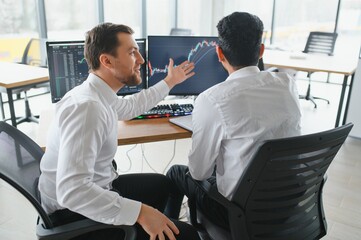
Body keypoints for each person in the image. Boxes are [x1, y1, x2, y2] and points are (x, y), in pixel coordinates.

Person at [38, 23, 201, 240]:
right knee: (189, 236)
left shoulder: (97, 93)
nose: (141, 60)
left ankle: (161, 230)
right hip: (73, 212)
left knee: (165, 185)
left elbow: (129, 107)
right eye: (133, 52)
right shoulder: (88, 109)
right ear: (106, 61)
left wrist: (169, 81)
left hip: (97, 188)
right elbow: (73, 191)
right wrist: (142, 213)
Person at [164, 12, 302, 230]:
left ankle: (171, 231)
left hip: (239, 214)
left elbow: (198, 173)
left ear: (219, 53)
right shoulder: (288, 84)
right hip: (288, 205)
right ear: (261, 51)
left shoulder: (212, 99)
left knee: (176, 173)